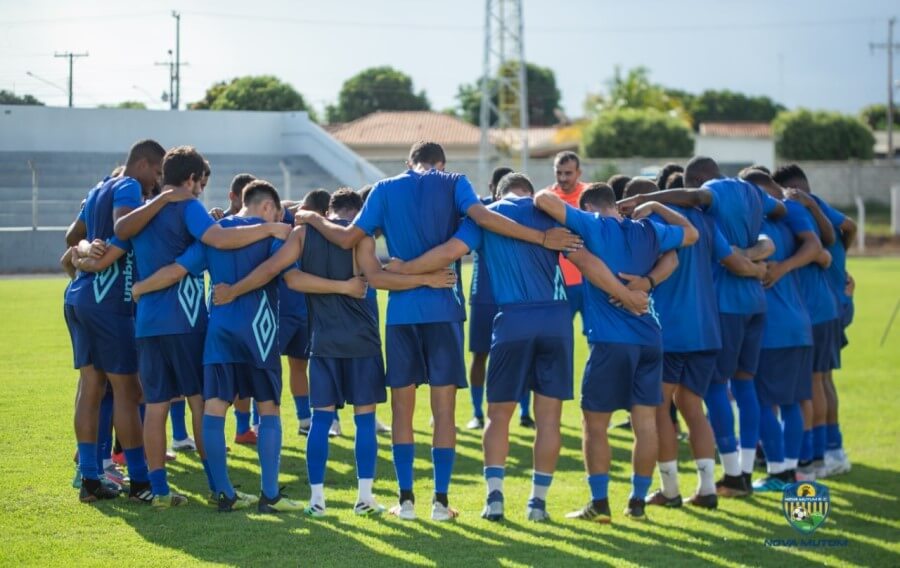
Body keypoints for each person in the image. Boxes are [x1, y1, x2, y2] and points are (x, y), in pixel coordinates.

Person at [295, 141, 581, 521]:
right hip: (445, 310)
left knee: (402, 411)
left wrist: (314, 219)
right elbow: (483, 218)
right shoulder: (454, 182)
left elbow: (348, 239)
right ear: (440, 164)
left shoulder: (384, 189)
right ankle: (441, 503)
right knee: (443, 412)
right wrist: (542, 238)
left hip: (401, 315)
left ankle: (407, 502)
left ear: (407, 162)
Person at [390, 174, 651, 522]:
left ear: (499, 193)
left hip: (513, 320)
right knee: (549, 419)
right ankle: (537, 505)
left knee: (498, 415)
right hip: (557, 321)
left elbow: (449, 252)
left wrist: (406, 268)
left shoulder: (486, 215)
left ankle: (494, 499)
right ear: (531, 192)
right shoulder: (551, 213)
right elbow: (587, 262)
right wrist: (631, 294)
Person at [213, 188, 450, 516]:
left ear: (329, 209)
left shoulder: (302, 234)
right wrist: (428, 279)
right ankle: (364, 498)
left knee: (321, 421)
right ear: (358, 211)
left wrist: (233, 291)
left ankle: (317, 500)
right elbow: (379, 279)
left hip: (322, 342)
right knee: (364, 420)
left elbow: (282, 275)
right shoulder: (361, 238)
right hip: (362, 342)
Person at [115, 146, 290, 507]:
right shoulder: (191, 209)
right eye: (200, 184)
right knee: (205, 402)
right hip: (187, 320)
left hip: (148, 321)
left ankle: (159, 490)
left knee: (157, 404)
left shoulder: (147, 208)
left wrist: (141, 289)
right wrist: (271, 227)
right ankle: (226, 489)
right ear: (192, 179)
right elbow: (219, 240)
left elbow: (150, 250)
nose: (200, 192)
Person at [618, 156, 786, 496]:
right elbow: (736, 258)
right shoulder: (709, 224)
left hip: (671, 329)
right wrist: (759, 269)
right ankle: (710, 488)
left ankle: (669, 491)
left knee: (662, 408)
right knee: (694, 405)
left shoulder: (654, 225)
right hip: (708, 328)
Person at [535, 183, 698, 521]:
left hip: (611, 341)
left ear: (590, 207)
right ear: (615, 204)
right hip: (651, 338)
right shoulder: (649, 229)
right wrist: (654, 207)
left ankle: (600, 503)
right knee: (646, 423)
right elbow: (689, 235)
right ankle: (637, 503)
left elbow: (542, 200)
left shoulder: (592, 224)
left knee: (594, 424)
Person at [62, 140, 167, 504]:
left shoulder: (97, 188)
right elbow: (125, 228)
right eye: (157, 173)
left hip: (79, 296)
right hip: (109, 301)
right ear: (142, 164)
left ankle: (90, 478)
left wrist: (87, 248)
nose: (156, 182)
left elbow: (70, 239)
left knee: (90, 386)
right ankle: (140, 481)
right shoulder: (129, 186)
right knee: (128, 391)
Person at [738, 170, 822, 491]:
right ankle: (791, 468)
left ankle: (779, 472)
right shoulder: (790, 218)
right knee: (792, 402)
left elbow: (761, 252)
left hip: (772, 327)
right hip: (800, 326)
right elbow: (816, 246)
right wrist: (787, 268)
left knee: (759, 400)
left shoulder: (755, 225)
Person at [771, 165, 843, 480]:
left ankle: (813, 458)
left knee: (811, 386)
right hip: (822, 310)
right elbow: (830, 243)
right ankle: (830, 450)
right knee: (821, 381)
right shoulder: (809, 216)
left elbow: (826, 247)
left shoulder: (795, 215)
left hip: (813, 312)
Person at [467, 166, 534, 430]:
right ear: (493, 189)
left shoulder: (526, 213)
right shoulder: (480, 211)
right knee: (480, 355)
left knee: (523, 355)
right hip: (484, 294)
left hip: (517, 296)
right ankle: (476, 412)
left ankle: (525, 412)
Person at [546, 152, 589, 331]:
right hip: (560, 282)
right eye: (559, 172)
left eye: (568, 173)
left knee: (598, 339)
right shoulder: (546, 199)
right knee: (558, 338)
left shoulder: (590, 195)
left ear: (579, 172)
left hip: (592, 278)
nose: (563, 178)